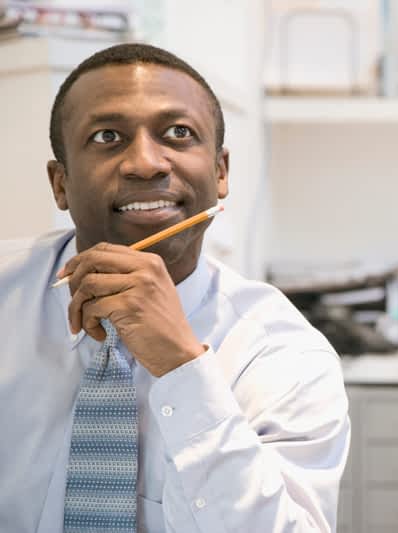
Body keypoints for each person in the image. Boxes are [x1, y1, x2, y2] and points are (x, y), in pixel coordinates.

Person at [0, 43, 350, 532]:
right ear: (60, 183)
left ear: (220, 172)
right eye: (107, 136)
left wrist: (183, 368)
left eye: (179, 134)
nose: (145, 163)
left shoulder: (286, 355)